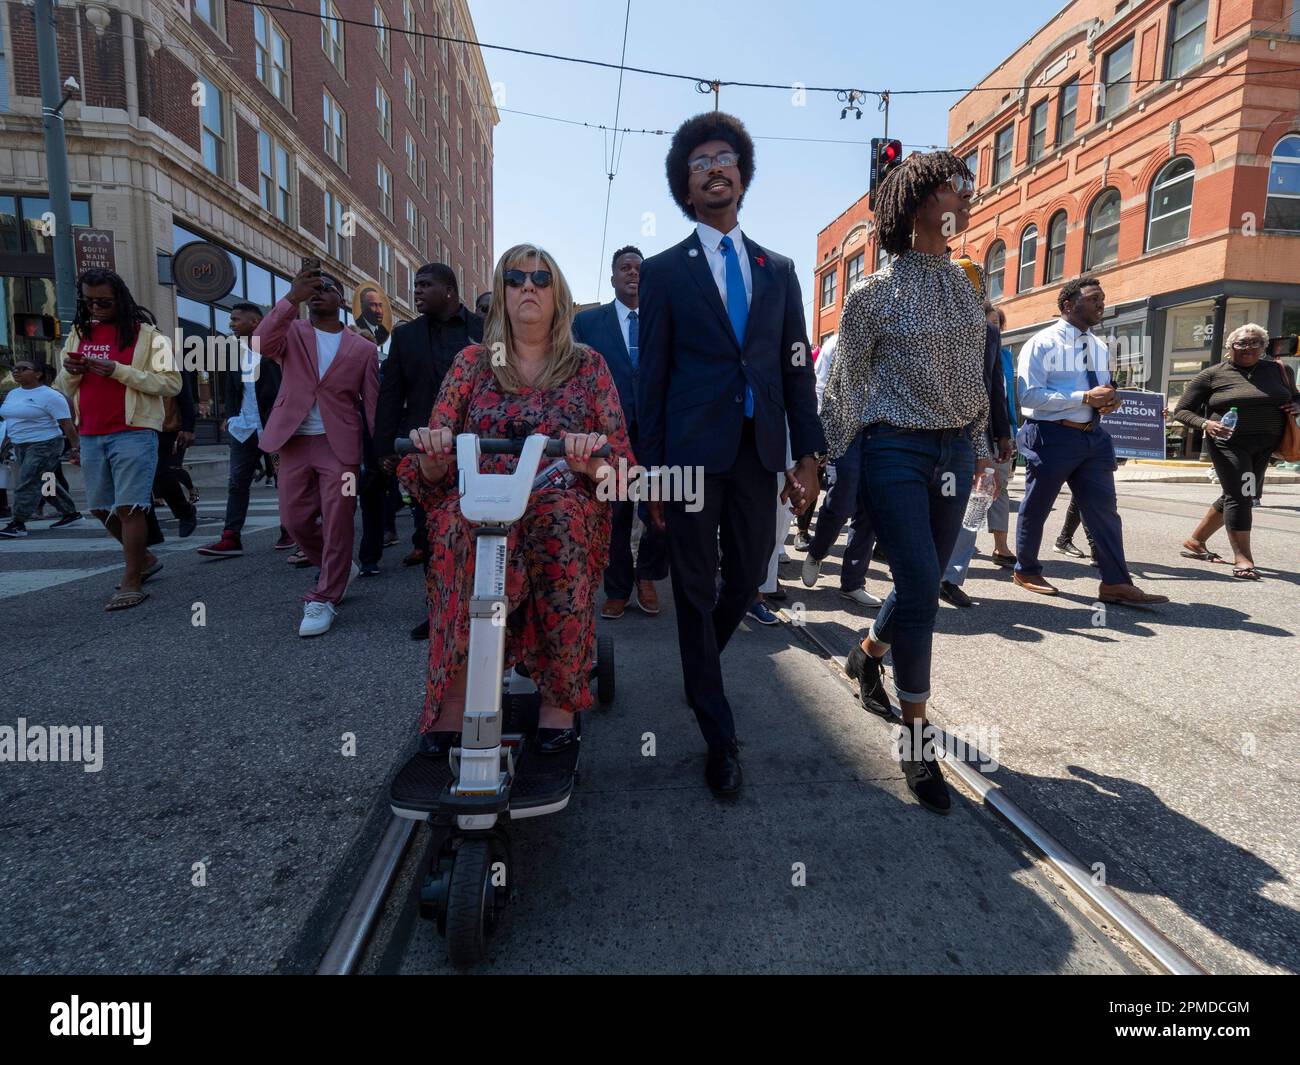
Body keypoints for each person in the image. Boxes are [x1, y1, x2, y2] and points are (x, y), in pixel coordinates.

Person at [638, 111, 824, 798]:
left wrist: (809, 454)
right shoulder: (663, 273)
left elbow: (797, 366)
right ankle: (719, 732)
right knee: (693, 584)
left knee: (745, 577)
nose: (714, 167)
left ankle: (698, 668)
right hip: (688, 454)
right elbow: (651, 378)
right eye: (699, 163)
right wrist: (651, 469)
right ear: (686, 189)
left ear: (742, 175)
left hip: (759, 450)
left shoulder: (778, 271)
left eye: (725, 158)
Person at [398, 244, 632, 756]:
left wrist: (588, 463)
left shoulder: (588, 367)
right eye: (517, 278)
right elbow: (429, 467)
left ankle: (559, 696)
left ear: (558, 294)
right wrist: (434, 453)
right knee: (460, 531)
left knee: (561, 524)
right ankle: (457, 696)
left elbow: (621, 471)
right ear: (501, 293)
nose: (529, 286)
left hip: (558, 501)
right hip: (482, 501)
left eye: (542, 278)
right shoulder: (472, 364)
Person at [822, 151, 992, 815]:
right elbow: (842, 395)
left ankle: (866, 655)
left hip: (952, 452)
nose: (965, 193)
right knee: (923, 583)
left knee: (918, 581)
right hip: (894, 448)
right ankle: (918, 738)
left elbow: (973, 380)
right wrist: (830, 473)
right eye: (954, 185)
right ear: (920, 202)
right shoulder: (870, 297)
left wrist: (978, 447)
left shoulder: (964, 287)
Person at [1011, 276, 1168, 605]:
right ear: (1069, 304)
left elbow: (1103, 387)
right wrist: (1084, 397)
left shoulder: (1098, 346)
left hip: (1092, 438)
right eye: (1094, 298)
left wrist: (1110, 399)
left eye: (1103, 298)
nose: (1102, 304)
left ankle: (1115, 583)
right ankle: (1025, 569)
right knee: (1037, 505)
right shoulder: (1041, 343)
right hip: (1050, 435)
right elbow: (1028, 396)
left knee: (1104, 511)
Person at [255, 270, 379, 636]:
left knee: (339, 519)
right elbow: (259, 344)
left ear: (342, 300)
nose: (318, 294)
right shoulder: (291, 333)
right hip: (293, 442)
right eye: (313, 289)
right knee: (294, 521)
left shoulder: (364, 349)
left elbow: (371, 404)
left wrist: (379, 453)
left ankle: (323, 596)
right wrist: (291, 298)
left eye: (327, 289)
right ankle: (339, 567)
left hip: (339, 448)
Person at [53, 269, 181, 610]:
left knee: (130, 506)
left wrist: (117, 370)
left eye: (104, 301)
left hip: (134, 431)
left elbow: (171, 383)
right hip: (92, 432)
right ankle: (146, 559)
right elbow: (61, 387)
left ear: (120, 298)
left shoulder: (149, 336)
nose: (96, 307)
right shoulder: (78, 333)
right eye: (89, 300)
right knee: (99, 506)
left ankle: (132, 579)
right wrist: (71, 371)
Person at [374, 262, 483, 636]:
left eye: (424, 284)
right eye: (415, 284)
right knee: (430, 531)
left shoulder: (485, 331)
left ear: (449, 290)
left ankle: (487, 607)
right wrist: (385, 447)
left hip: (482, 448)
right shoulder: (405, 337)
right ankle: (439, 610)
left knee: (483, 528)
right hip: (425, 451)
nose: (416, 291)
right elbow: (390, 395)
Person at [573, 245, 669, 619]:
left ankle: (647, 576)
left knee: (660, 508)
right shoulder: (588, 323)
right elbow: (578, 378)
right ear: (612, 277)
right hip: (608, 434)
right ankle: (617, 588)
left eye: (638, 269)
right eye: (624, 268)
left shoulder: (664, 319)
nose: (633, 273)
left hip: (656, 431)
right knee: (615, 512)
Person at [1173, 323, 1300, 579]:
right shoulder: (1211, 375)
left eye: (1255, 343)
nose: (1248, 348)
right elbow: (1182, 411)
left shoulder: (1279, 370)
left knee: (1241, 493)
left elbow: (1295, 396)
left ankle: (1195, 542)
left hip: (1266, 445)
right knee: (1241, 495)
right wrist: (1206, 424)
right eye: (1241, 343)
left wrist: (1297, 405)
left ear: (1264, 347)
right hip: (1228, 443)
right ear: (1229, 347)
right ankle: (1243, 558)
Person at [938, 300, 1015, 608]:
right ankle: (921, 572)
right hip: (933, 430)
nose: (992, 328)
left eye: (997, 323)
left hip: (980, 433)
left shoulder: (993, 340)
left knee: (976, 505)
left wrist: (1002, 435)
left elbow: (996, 388)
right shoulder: (941, 328)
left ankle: (951, 578)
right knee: (939, 506)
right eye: (988, 321)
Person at [195, 302, 288, 557]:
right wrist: (231, 417)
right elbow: (231, 390)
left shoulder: (275, 354)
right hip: (243, 430)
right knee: (237, 483)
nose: (231, 324)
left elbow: (284, 391)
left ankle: (290, 529)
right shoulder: (236, 354)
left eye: (236, 319)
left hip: (273, 429)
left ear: (255, 322)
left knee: (285, 481)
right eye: (231, 319)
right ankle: (230, 537)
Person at [800, 330, 882, 609]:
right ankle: (817, 551)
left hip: (881, 433)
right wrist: (819, 438)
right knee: (841, 501)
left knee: (870, 509)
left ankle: (853, 582)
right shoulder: (837, 343)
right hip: (843, 433)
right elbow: (819, 387)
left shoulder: (893, 336)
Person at [0, 358, 81, 537]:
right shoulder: (13, 394)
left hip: (45, 444)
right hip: (20, 443)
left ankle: (18, 523)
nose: (16, 371)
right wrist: (6, 442)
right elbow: (12, 420)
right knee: (45, 480)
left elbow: (67, 425)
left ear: (38, 374)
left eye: (23, 368)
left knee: (27, 481)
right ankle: (70, 513)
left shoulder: (50, 396)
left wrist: (76, 448)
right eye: (15, 369)